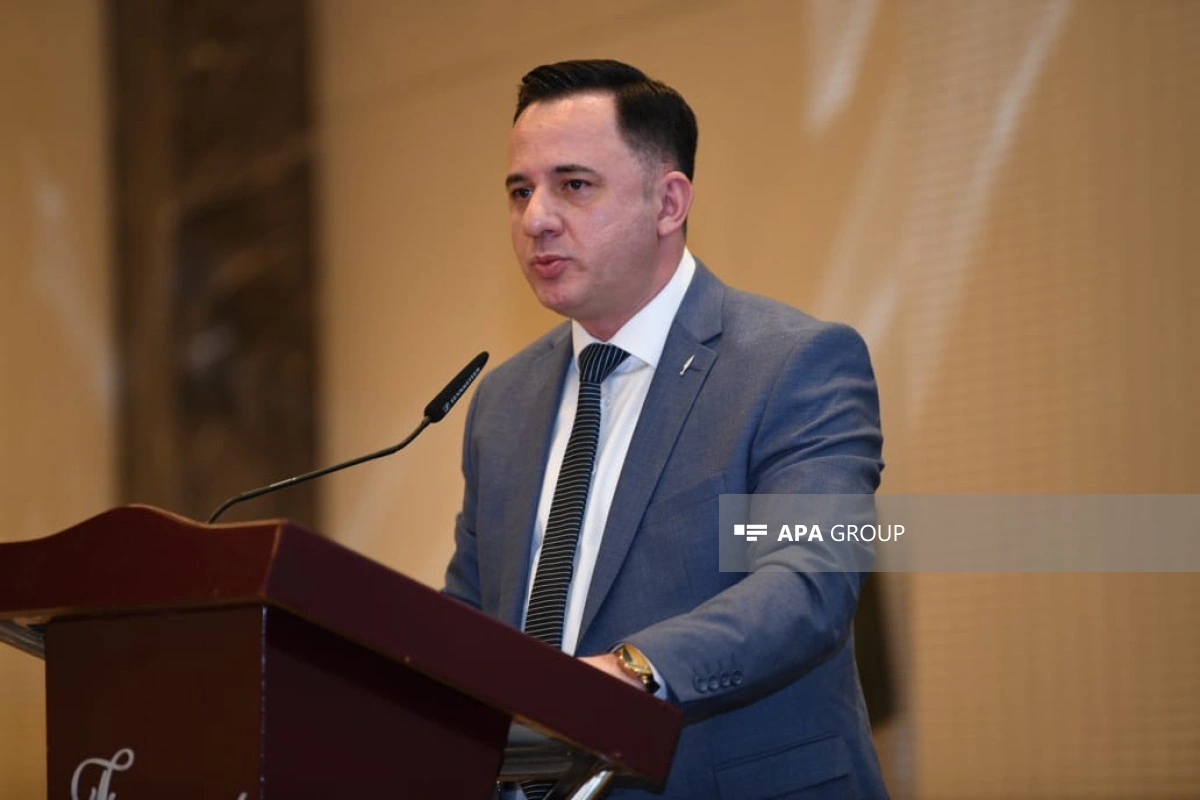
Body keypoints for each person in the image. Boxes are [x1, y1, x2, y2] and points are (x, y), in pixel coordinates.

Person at [444, 59, 888, 799]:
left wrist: (628, 674)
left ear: (668, 202)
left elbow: (808, 580)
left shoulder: (793, 365)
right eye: (520, 191)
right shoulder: (503, 401)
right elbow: (469, 617)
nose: (536, 218)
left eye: (573, 185)